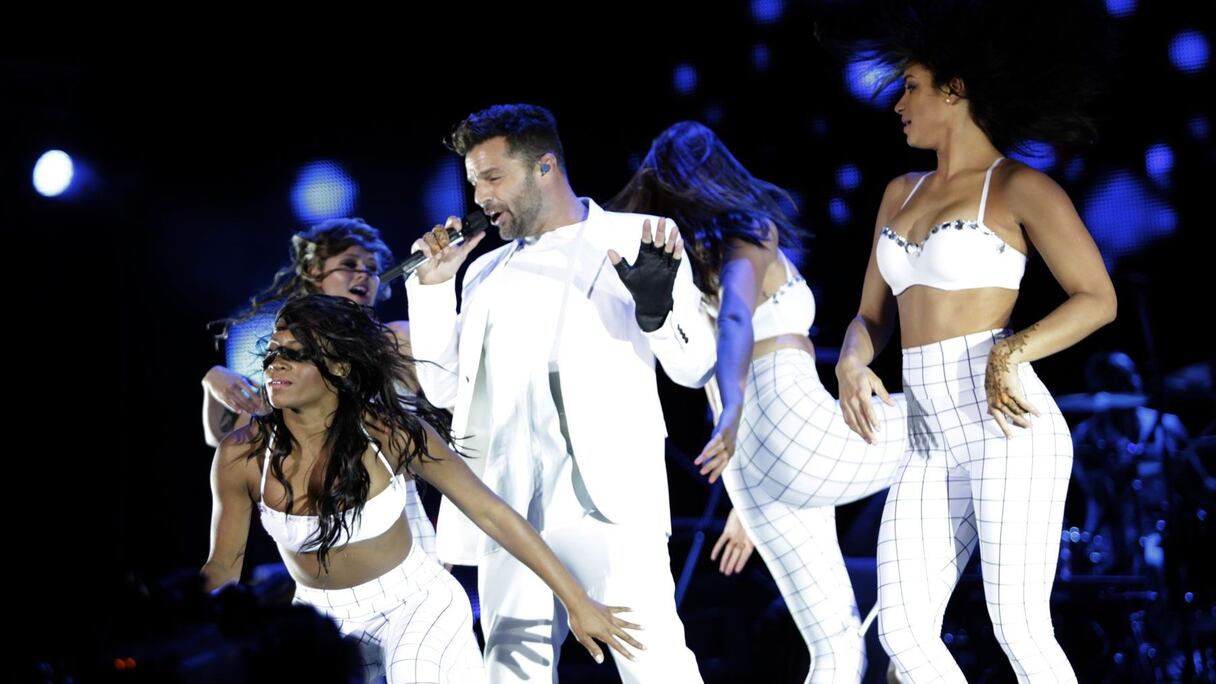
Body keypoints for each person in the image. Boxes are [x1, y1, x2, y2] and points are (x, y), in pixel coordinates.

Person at [835, 2, 1117, 680]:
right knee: (902, 632)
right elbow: (871, 318)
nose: (899, 103)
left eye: (911, 85)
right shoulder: (898, 192)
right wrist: (850, 359)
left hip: (1007, 426)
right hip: (929, 438)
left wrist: (1011, 351)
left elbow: (1098, 299)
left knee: (1019, 625)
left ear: (955, 90)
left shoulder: (1020, 186)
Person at [407, 104, 716, 682]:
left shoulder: (637, 238)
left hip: (609, 506)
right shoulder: (482, 271)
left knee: (656, 665)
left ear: (544, 166)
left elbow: (695, 367)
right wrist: (431, 290)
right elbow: (445, 388)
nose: (479, 198)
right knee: (510, 673)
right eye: (474, 182)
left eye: (493, 178)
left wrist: (657, 312)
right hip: (507, 509)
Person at [202, 294, 643, 683]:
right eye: (273, 353)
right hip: (321, 619)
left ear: (338, 367)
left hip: (414, 605)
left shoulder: (390, 435)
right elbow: (222, 567)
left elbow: (493, 513)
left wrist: (576, 600)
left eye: (294, 355)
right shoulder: (242, 455)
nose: (274, 365)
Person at [609, 120, 909, 683]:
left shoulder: (688, 267)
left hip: (755, 468)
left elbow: (714, 364)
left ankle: (909, 619)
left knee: (837, 649)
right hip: (795, 430)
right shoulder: (750, 232)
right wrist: (733, 411)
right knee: (954, 416)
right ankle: (915, 616)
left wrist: (746, 500)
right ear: (717, 171)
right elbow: (736, 320)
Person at [202, 218, 436, 557]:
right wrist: (212, 380)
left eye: (371, 268)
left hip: (399, 522)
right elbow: (232, 438)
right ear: (314, 271)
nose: (363, 274)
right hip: (321, 527)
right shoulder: (288, 357)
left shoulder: (397, 340)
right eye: (349, 264)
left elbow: (452, 389)